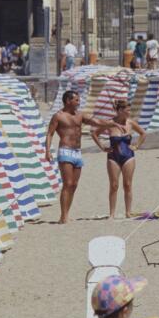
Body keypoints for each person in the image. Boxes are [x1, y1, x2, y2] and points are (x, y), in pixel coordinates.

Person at [45, 90, 103, 223]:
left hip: (77, 152)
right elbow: (50, 134)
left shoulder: (80, 115)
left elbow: (96, 122)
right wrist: (47, 151)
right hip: (65, 151)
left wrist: (112, 123)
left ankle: (66, 214)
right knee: (68, 184)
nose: (79, 102)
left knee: (74, 185)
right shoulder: (58, 116)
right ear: (68, 101)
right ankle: (63, 216)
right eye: (76, 100)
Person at [92, 99, 147, 218]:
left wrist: (136, 145)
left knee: (127, 184)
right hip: (113, 156)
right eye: (127, 110)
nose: (129, 112)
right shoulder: (109, 123)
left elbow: (143, 133)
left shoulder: (130, 123)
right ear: (120, 110)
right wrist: (102, 147)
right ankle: (112, 213)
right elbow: (94, 133)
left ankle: (128, 212)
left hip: (128, 156)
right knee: (114, 185)